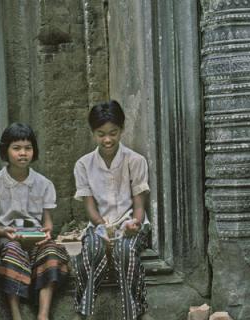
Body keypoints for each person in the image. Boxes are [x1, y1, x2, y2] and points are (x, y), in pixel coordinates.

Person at [0, 123, 69, 320]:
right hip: (8, 237)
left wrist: (46, 232)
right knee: (12, 253)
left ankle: (43, 314)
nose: (23, 153)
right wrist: (5, 233)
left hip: (36, 236)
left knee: (52, 252)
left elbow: (47, 222)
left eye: (28, 148)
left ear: (34, 151)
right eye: (16, 148)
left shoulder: (44, 184)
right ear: (6, 151)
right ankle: (16, 314)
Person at [73, 100, 150, 320]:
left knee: (124, 251)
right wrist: (101, 227)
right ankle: (84, 312)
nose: (107, 139)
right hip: (99, 225)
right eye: (101, 134)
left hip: (129, 224)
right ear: (93, 133)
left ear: (122, 130)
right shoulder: (83, 165)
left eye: (113, 133)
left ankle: (136, 312)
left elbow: (139, 205)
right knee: (91, 251)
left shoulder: (135, 160)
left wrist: (134, 223)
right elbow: (90, 207)